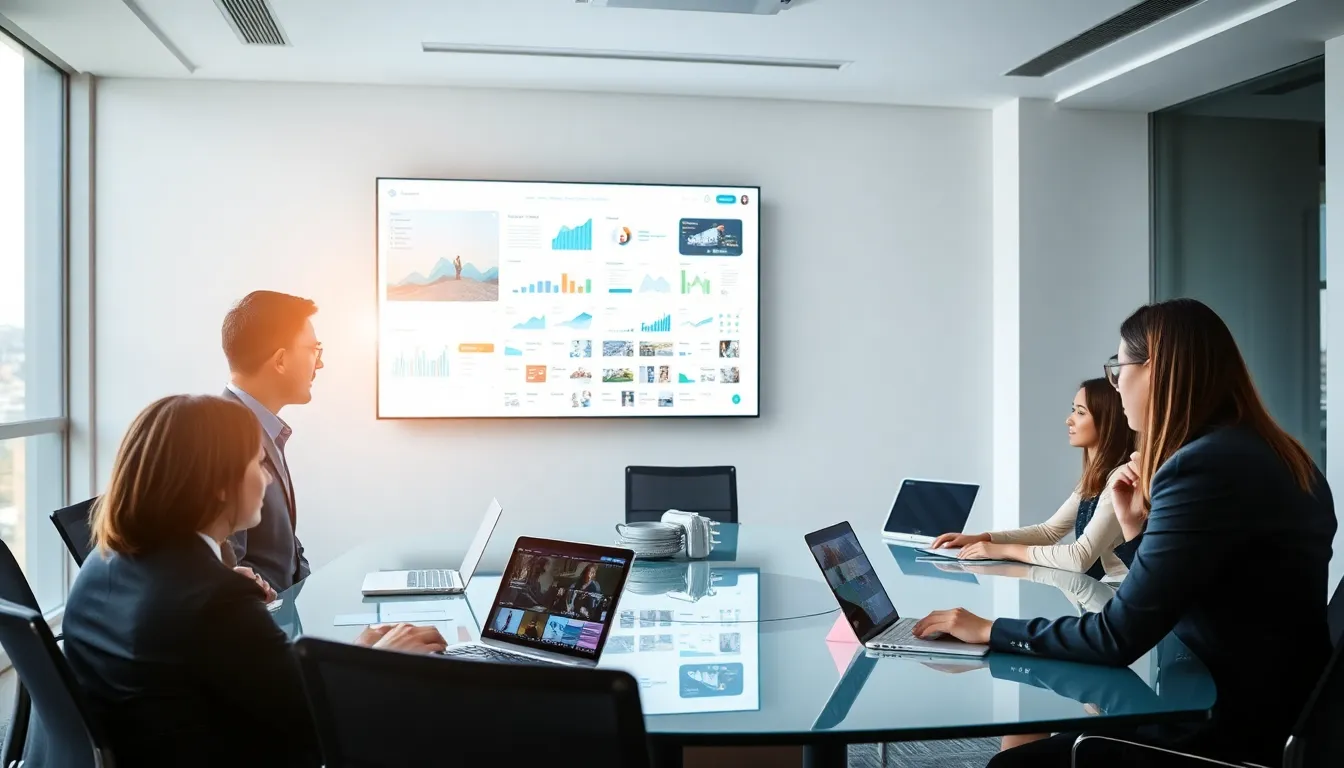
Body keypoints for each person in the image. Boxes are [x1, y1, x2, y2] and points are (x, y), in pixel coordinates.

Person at [913, 299, 1337, 767]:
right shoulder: (1280, 455)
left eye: (1118, 369)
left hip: (1221, 724)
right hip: (1277, 710)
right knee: (1033, 718)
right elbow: (1202, 587)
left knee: (1014, 761)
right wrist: (1136, 529)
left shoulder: (1201, 466)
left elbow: (1115, 638)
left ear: (1154, 368)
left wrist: (987, 629)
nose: (1115, 387)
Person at [57, 395, 447, 767]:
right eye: (258, 463)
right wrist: (377, 662)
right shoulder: (215, 600)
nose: (268, 479)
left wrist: (351, 653)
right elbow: (317, 724)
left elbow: (253, 680)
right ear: (219, 484)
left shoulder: (100, 564)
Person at [930, 378, 1138, 581]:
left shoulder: (1121, 479)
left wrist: (1002, 550)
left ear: (1108, 422)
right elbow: (1049, 531)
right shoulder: (1096, 477)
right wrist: (983, 538)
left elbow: (1079, 558)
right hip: (1099, 591)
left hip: (1119, 593)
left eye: (1080, 412)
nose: (1069, 420)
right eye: (1073, 410)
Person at [221, 290, 325, 591]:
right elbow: (226, 567)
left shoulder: (263, 429)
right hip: (258, 617)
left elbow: (286, 549)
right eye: (314, 350)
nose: (319, 364)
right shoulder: (225, 437)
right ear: (280, 360)